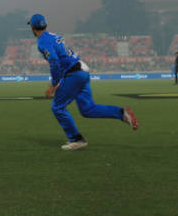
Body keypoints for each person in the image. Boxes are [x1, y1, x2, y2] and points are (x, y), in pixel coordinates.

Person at [29, 13, 137, 150]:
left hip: (74, 73)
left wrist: (54, 84)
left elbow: (54, 61)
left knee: (57, 107)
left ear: (32, 27)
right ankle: (121, 113)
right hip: (82, 69)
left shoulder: (42, 41)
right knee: (88, 109)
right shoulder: (53, 35)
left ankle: (76, 139)